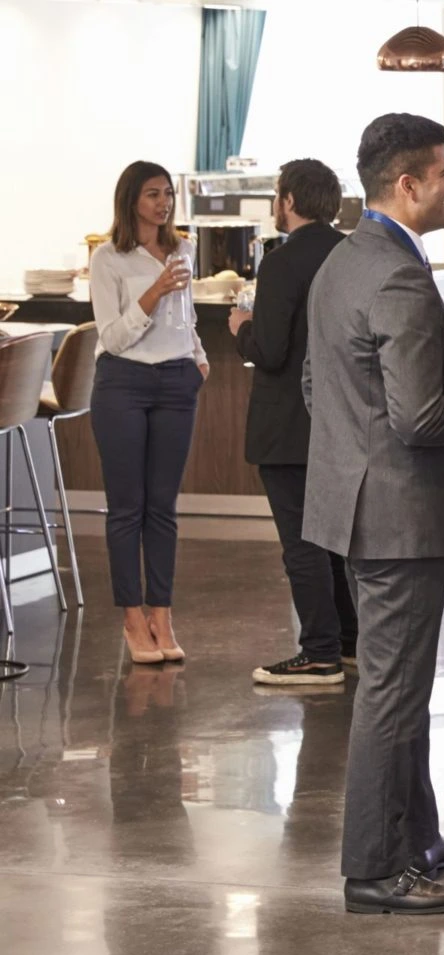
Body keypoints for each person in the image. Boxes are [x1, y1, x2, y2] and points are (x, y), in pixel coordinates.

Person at [307, 113, 444, 914]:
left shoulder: (343, 260)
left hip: (357, 507)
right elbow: (423, 418)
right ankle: (376, 868)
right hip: (398, 515)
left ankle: (418, 836)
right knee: (392, 692)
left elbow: (323, 391)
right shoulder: (396, 274)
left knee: (401, 683)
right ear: (408, 184)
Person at [232, 159, 358, 686]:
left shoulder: (282, 263)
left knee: (301, 544)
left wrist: (240, 328)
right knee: (333, 541)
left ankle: (319, 653)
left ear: (289, 201)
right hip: (341, 421)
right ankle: (349, 642)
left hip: (287, 425)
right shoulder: (350, 254)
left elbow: (272, 349)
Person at [88, 161, 210, 665]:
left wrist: (198, 356)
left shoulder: (183, 248)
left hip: (177, 382)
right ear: (131, 200)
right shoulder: (108, 258)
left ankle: (162, 612)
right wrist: (154, 291)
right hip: (124, 383)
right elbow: (112, 337)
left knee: (163, 507)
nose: (163, 203)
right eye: (152, 195)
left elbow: (188, 315)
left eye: (166, 194)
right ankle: (132, 616)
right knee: (127, 508)